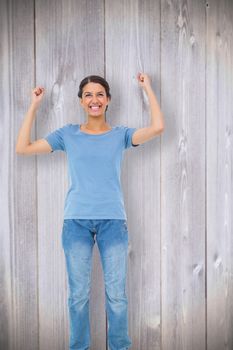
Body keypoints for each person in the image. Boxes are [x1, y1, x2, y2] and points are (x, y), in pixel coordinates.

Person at [16, 73, 164, 350]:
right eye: (88, 95)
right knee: (78, 296)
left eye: (99, 94)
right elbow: (22, 148)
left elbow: (157, 127)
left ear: (107, 100)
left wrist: (148, 88)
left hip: (113, 221)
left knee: (117, 296)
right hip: (76, 222)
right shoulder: (67, 134)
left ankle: (119, 346)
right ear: (81, 102)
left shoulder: (121, 135)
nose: (94, 99)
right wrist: (34, 106)